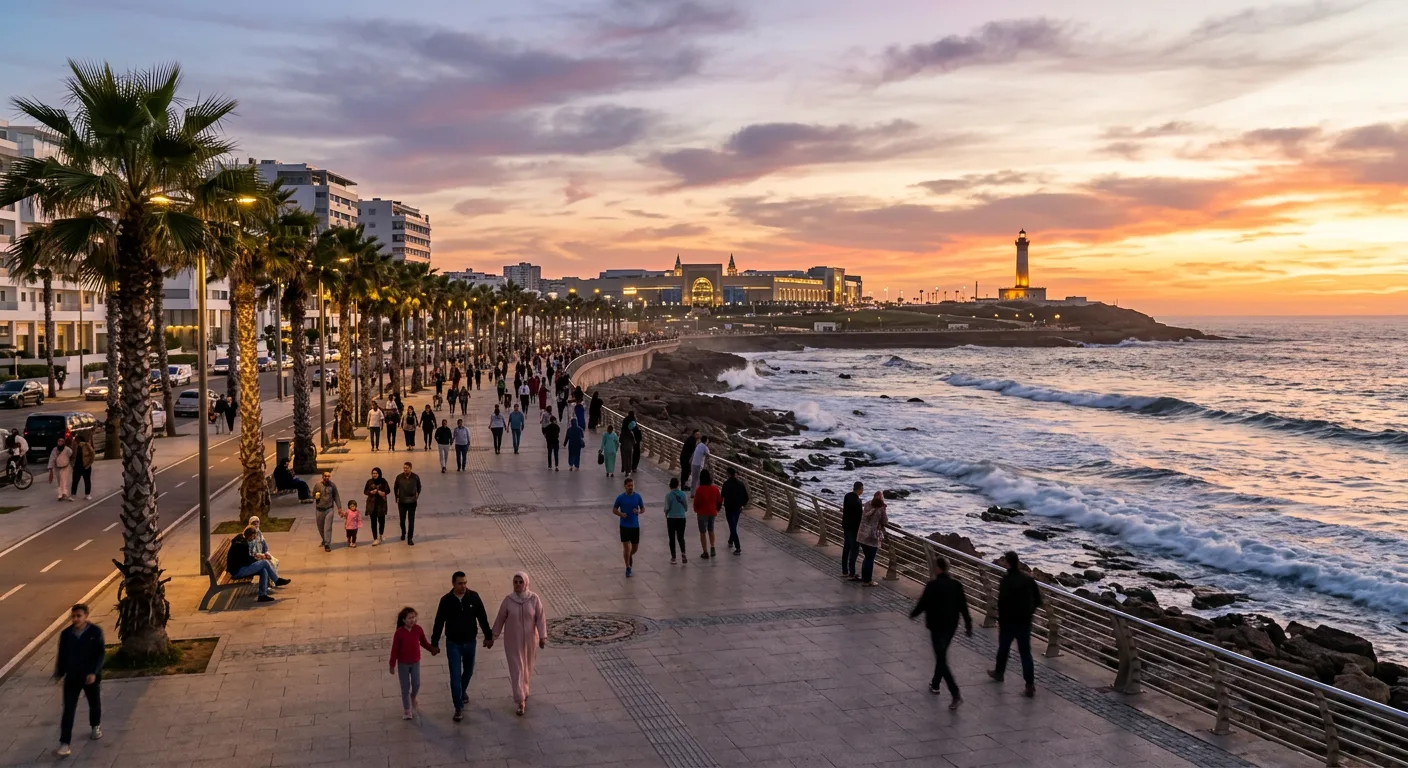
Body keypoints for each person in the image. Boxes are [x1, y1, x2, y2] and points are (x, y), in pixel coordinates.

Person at [430, 571, 494, 723]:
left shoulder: (473, 597)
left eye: (465, 583)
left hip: (470, 642)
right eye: (460, 583)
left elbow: (482, 617)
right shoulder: (446, 601)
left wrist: (488, 636)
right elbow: (439, 622)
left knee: (469, 671)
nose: (463, 586)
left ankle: (462, 691)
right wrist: (434, 643)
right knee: (455, 676)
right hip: (453, 643)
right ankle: (458, 706)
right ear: (453, 584)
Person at [911, 555, 974, 708]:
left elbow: (923, 604)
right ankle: (935, 683)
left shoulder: (932, 585)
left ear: (938, 568)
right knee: (942, 655)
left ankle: (955, 693)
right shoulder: (956, 585)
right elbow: (963, 606)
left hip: (936, 626)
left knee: (941, 658)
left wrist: (913, 614)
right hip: (951, 626)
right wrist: (968, 624)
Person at [492, 572, 547, 717]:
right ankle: (520, 700)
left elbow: (540, 618)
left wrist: (542, 636)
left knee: (527, 668)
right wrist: (493, 636)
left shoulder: (534, 599)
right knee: (517, 669)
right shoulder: (508, 601)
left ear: (526, 583)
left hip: (529, 641)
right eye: (515, 582)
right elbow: (500, 619)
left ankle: (524, 689)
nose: (517, 585)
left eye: (520, 582)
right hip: (512, 642)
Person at [52, 604, 104, 758]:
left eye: (78, 616)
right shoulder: (66, 634)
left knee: (94, 703)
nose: (75, 619)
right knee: (68, 709)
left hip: (90, 677)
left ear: (86, 616)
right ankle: (65, 743)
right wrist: (59, 673)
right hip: (72, 677)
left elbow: (100, 654)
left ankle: (95, 726)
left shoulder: (95, 632)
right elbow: (62, 655)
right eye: (73, 616)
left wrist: (94, 672)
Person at [989, 551, 1042, 698]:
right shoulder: (1028, 580)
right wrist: (1030, 612)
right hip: (1024, 622)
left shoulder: (1005, 581)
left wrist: (1000, 619)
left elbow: (1002, 603)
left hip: (1008, 622)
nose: (1003, 563)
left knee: (1003, 648)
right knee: (1025, 653)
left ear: (1008, 563)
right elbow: (1038, 600)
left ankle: (999, 673)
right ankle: (1029, 685)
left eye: (1004, 561)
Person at [390, 606, 437, 720]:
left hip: (415, 662)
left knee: (416, 683)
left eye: (414, 617)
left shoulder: (418, 629)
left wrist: (432, 649)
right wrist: (392, 664)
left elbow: (424, 642)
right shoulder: (399, 633)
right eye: (410, 618)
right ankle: (407, 710)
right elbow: (394, 650)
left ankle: (413, 697)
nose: (413, 620)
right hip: (403, 664)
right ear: (403, 620)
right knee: (405, 687)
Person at [228, 526, 289, 601]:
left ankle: (262, 595)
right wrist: (257, 559)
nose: (255, 538)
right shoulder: (243, 545)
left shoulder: (240, 539)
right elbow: (247, 562)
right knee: (264, 563)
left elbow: (245, 558)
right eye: (254, 536)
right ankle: (277, 580)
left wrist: (256, 558)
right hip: (238, 571)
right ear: (251, 535)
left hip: (237, 568)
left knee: (263, 568)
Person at [613, 477, 645, 577]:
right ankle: (628, 567)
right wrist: (621, 514)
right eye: (629, 486)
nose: (631, 487)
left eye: (632, 485)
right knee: (626, 547)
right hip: (624, 526)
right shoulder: (620, 498)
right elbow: (614, 509)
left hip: (635, 526)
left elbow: (643, 509)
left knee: (634, 548)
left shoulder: (638, 497)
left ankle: (629, 555)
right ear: (625, 486)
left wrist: (639, 512)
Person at [857, 492, 888, 586]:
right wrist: (884, 509)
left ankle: (864, 578)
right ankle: (867, 581)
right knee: (870, 559)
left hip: (862, 534)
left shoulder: (867, 504)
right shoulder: (881, 509)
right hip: (872, 537)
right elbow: (885, 521)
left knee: (867, 558)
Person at [693, 468, 722, 559]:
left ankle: (705, 552)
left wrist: (696, 510)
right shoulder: (715, 489)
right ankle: (712, 547)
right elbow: (719, 501)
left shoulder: (699, 490)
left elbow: (696, 502)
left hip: (702, 513)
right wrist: (717, 509)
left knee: (702, 532)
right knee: (711, 530)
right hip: (712, 512)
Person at [721, 467, 750, 556]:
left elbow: (723, 495)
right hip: (738, 508)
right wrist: (742, 505)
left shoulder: (726, 484)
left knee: (732, 526)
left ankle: (738, 547)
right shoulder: (741, 484)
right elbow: (746, 497)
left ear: (728, 474)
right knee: (733, 525)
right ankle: (730, 541)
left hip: (729, 508)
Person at [312, 471, 342, 552]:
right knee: (320, 527)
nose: (327, 477)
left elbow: (336, 496)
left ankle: (327, 544)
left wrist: (339, 508)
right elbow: (312, 494)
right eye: (325, 476)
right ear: (322, 476)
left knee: (327, 527)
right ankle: (324, 539)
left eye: (328, 476)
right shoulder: (318, 485)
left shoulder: (332, 485)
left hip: (329, 509)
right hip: (319, 509)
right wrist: (316, 496)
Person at [841, 481, 865, 580]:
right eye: (862, 489)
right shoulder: (857, 502)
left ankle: (845, 571)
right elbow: (860, 516)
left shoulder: (847, 496)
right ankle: (852, 573)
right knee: (854, 550)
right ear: (860, 489)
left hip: (846, 526)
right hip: (854, 529)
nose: (863, 490)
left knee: (846, 548)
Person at [394, 462, 421, 545]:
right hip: (402, 502)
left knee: (411, 521)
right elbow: (395, 488)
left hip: (412, 502)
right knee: (402, 520)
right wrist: (397, 497)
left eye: (407, 468)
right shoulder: (399, 477)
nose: (405, 469)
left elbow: (419, 486)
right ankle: (403, 532)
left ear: (410, 468)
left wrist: (417, 494)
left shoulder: (415, 477)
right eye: (404, 468)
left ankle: (410, 538)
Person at [664, 477, 689, 565]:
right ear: (678, 485)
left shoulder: (668, 495)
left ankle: (673, 557)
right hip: (682, 518)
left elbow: (666, 508)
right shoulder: (683, 494)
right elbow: (686, 507)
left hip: (671, 518)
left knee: (672, 538)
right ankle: (683, 553)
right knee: (681, 537)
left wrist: (666, 514)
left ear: (670, 485)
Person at [364, 468, 391, 545]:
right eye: (373, 473)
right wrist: (371, 492)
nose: (374, 475)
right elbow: (365, 491)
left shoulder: (383, 481)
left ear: (379, 474)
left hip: (381, 504)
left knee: (381, 521)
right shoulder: (369, 481)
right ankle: (375, 538)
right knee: (373, 522)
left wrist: (382, 492)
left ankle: (381, 534)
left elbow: (388, 490)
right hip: (372, 504)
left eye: (376, 473)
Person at [69, 432, 95, 501]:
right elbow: (71, 455)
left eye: (77, 440)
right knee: (75, 481)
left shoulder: (86, 445)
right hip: (77, 467)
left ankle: (87, 494)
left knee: (87, 481)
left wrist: (89, 464)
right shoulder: (74, 446)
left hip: (86, 466)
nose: (76, 441)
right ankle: (73, 495)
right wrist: (72, 464)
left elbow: (92, 454)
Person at [48, 436, 74, 501]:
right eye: (59, 441)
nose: (60, 442)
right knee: (59, 481)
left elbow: (71, 454)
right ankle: (60, 494)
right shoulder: (55, 450)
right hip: (57, 468)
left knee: (64, 480)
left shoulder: (67, 449)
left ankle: (64, 493)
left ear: (64, 443)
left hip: (65, 467)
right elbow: (52, 458)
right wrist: (50, 468)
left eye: (61, 441)